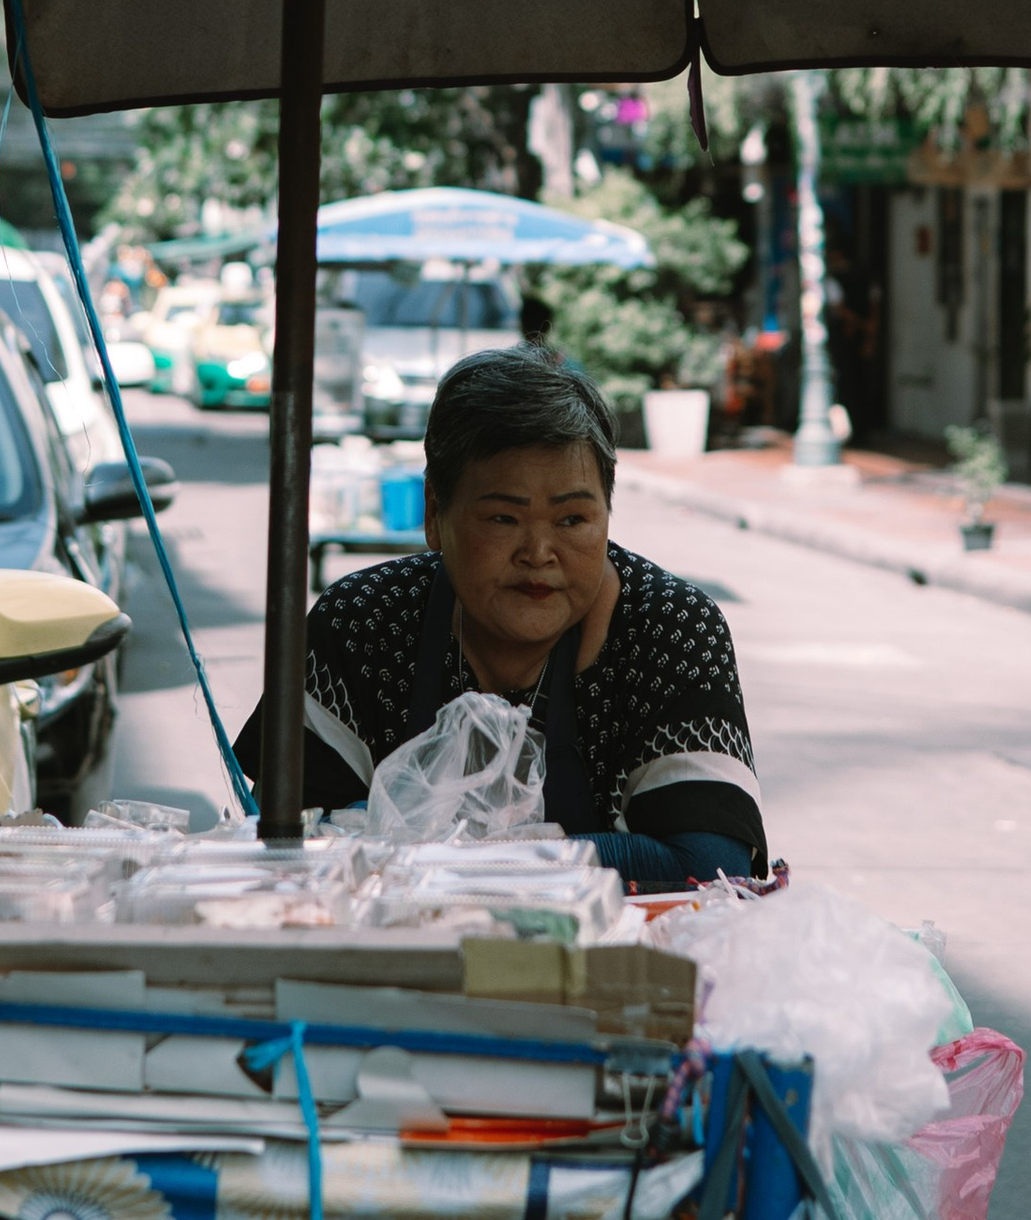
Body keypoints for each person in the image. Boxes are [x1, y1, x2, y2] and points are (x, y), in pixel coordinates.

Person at [239, 347, 768, 888]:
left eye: (572, 519)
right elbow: (284, 843)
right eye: (503, 517)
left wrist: (459, 857)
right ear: (434, 516)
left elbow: (707, 867)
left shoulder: (670, 629)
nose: (538, 551)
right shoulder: (364, 622)